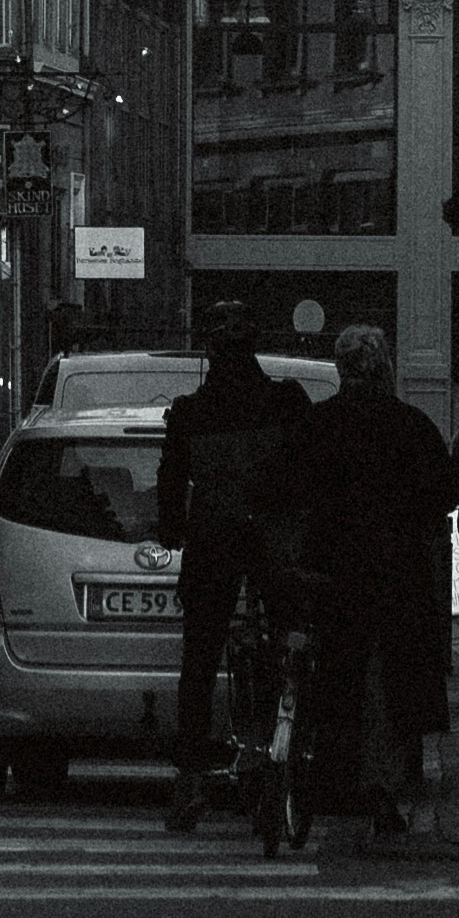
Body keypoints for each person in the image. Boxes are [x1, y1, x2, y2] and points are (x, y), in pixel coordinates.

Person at [293, 325, 457, 836]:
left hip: (332, 576)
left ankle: (332, 776)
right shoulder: (410, 427)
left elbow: (286, 490)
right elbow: (442, 495)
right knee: (385, 685)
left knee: (336, 674)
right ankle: (380, 786)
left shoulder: (318, 426)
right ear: (384, 365)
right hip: (394, 577)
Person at [154, 313, 311, 834]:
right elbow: (305, 469)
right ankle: (287, 743)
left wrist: (171, 529)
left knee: (199, 659)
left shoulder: (191, 412)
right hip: (272, 544)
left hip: (215, 544)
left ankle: (191, 777)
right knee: (287, 638)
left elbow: (172, 481)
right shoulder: (285, 402)